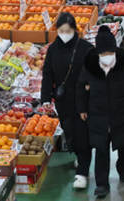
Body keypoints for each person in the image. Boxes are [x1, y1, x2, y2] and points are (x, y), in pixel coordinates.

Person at [76, 26, 124, 199]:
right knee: (101, 150)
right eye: (104, 53)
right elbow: (81, 88)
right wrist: (82, 108)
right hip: (98, 115)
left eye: (110, 52)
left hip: (122, 114)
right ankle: (102, 184)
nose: (107, 56)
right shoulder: (90, 67)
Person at [41, 12, 93, 190]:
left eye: (67, 31)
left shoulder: (85, 48)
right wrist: (46, 98)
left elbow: (95, 71)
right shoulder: (53, 49)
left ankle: (82, 172)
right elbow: (47, 73)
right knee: (70, 132)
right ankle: (79, 156)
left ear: (74, 30)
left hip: (82, 100)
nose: (64, 34)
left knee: (83, 135)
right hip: (62, 101)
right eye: (61, 31)